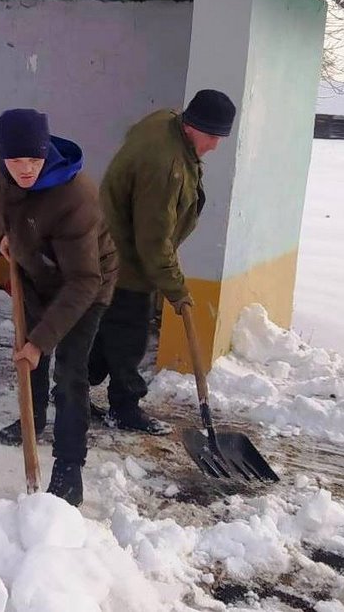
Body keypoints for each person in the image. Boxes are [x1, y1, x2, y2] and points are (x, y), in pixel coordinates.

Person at [0, 108, 118, 507]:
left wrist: (42, 341)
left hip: (86, 283)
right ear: (1, 155)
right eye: (16, 160)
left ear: (46, 153)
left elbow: (84, 280)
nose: (26, 169)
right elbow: (0, 208)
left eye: (34, 160)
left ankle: (69, 465)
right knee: (27, 356)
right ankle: (33, 419)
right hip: (37, 270)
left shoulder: (75, 198)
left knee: (70, 371)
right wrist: (6, 236)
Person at [88, 89, 237, 434]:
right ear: (191, 126)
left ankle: (72, 386)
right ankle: (124, 408)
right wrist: (177, 290)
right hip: (125, 261)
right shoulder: (164, 166)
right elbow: (153, 240)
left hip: (109, 248)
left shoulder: (166, 123)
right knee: (129, 338)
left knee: (105, 329)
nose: (215, 146)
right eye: (212, 136)